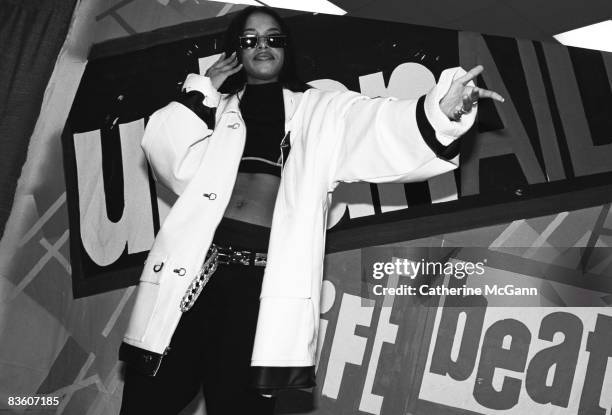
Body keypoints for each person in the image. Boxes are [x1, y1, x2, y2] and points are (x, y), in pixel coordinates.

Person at [118, 5, 504, 414]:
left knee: (238, 404)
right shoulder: (215, 108)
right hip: (194, 275)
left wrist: (443, 110)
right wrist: (203, 88)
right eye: (249, 40)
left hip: (258, 287)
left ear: (286, 48)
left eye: (273, 38)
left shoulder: (320, 111)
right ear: (236, 52)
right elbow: (166, 154)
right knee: (147, 401)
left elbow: (379, 125)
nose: (262, 46)